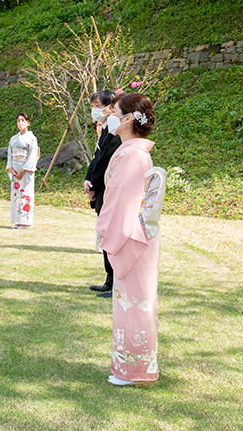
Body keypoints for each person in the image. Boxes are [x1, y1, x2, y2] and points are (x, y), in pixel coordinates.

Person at [96, 92, 166, 386]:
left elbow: (121, 201)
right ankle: (134, 367)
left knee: (134, 305)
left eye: (115, 111)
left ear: (127, 120)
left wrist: (104, 230)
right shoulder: (134, 152)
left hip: (133, 236)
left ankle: (134, 371)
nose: (109, 115)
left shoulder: (130, 154)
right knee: (136, 303)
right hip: (139, 235)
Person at [84, 90, 123, 298]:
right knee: (105, 237)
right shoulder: (105, 129)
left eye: (97, 105)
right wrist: (88, 181)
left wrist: (95, 185)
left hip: (108, 190)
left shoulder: (116, 132)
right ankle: (109, 279)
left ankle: (116, 281)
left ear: (110, 107)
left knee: (112, 236)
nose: (94, 110)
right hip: (99, 190)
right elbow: (95, 160)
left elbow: (107, 163)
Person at [5, 112, 39, 228]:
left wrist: (23, 170)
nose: (20, 123)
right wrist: (11, 169)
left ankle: (26, 222)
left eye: (23, 120)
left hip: (24, 170)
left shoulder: (32, 138)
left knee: (25, 194)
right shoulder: (13, 139)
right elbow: (9, 154)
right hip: (14, 169)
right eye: (18, 120)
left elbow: (33, 155)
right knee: (16, 196)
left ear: (28, 123)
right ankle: (18, 221)